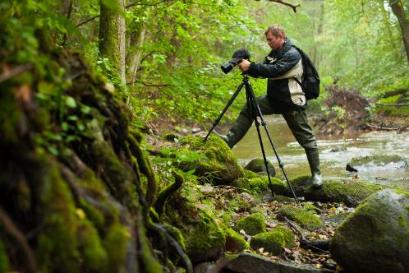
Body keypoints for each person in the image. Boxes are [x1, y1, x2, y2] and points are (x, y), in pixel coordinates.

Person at [218, 24, 323, 187]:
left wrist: (251, 66)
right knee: (250, 107)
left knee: (306, 138)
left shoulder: (292, 54)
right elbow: (264, 70)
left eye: (270, 40)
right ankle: (229, 140)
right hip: (273, 100)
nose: (268, 43)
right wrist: (246, 65)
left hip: (292, 102)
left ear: (281, 36)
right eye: (267, 40)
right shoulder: (274, 53)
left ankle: (317, 175)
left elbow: (275, 70)